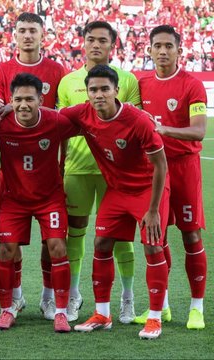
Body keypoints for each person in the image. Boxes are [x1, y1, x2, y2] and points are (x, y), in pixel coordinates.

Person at [60, 65, 169, 340]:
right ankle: (103, 314)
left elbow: (160, 166)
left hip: (147, 190)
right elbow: (49, 118)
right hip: (118, 190)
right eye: (93, 90)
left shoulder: (138, 120)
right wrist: (12, 111)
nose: (99, 95)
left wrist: (154, 210)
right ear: (87, 93)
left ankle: (155, 318)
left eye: (104, 89)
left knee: (153, 247)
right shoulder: (83, 113)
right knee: (101, 244)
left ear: (116, 91)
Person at [57, 21, 140, 323]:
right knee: (74, 234)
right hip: (77, 170)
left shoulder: (128, 80)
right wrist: (59, 167)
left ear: (112, 44)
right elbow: (61, 129)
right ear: (82, 43)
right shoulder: (67, 82)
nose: (95, 45)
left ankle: (127, 298)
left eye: (102, 40)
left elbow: (133, 126)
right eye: (90, 39)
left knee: (120, 238)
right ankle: (74, 295)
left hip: (116, 175)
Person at [0, 12, 65, 320]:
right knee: (10, 245)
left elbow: (63, 116)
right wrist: (9, 108)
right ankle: (14, 300)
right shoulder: (3, 69)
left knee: (52, 243)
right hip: (13, 177)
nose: (28, 35)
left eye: (33, 30)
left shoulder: (57, 69)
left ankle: (50, 299)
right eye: (22, 30)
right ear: (14, 35)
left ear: (42, 34)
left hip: (48, 170)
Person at [0, 73, 76, 332]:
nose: (23, 105)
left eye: (29, 99)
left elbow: (87, 120)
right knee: (6, 250)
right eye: (18, 100)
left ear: (41, 100)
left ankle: (60, 311)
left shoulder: (56, 120)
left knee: (57, 247)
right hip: (14, 199)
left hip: (50, 197)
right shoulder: (0, 121)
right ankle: (7, 308)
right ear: (10, 100)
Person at [136, 25, 207, 330]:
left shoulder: (192, 85)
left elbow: (199, 130)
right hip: (154, 170)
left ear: (180, 50)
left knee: (191, 235)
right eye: (157, 46)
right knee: (156, 236)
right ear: (149, 50)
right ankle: (161, 306)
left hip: (184, 167)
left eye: (169, 45)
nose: (163, 51)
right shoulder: (141, 83)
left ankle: (196, 308)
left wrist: (164, 130)